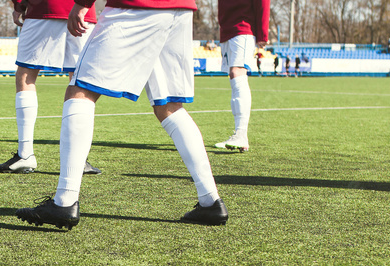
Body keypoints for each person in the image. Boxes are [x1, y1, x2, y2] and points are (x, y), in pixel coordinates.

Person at [15, 0, 227, 229]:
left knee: (80, 91)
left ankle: (64, 201)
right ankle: (210, 201)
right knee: (170, 106)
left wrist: (82, 3)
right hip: (181, 8)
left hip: (137, 6)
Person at [0, 0, 101, 176]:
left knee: (26, 74)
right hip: (84, 11)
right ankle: (79, 159)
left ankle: (25, 153)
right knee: (79, 79)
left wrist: (19, 5)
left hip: (44, 8)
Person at [212, 0, 269, 153]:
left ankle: (241, 134)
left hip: (243, 28)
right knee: (233, 75)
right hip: (227, 30)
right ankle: (239, 134)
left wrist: (263, 32)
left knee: (237, 72)